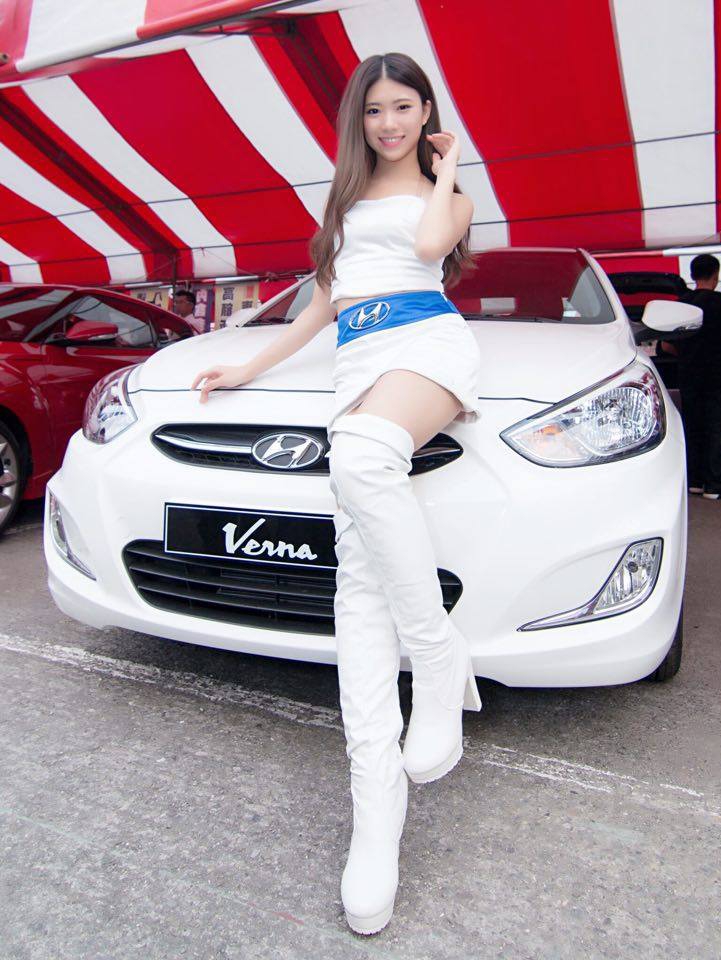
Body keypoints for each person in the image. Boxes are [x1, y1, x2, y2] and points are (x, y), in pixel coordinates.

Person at [191, 52, 481, 935]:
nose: (388, 123)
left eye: (403, 107)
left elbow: (427, 250)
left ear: (425, 111)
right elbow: (322, 306)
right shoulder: (346, 205)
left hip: (426, 344)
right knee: (356, 593)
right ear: (358, 120)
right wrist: (246, 367)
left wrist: (448, 164)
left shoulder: (450, 196)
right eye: (374, 110)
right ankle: (375, 822)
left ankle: (437, 658)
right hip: (356, 359)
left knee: (358, 457)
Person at [668, 254, 721, 499]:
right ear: (716, 274)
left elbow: (667, 345)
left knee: (693, 425)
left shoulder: (681, 304)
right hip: (719, 373)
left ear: (692, 275)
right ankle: (714, 484)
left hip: (689, 373)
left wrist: (688, 350)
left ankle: (695, 480)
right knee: (717, 427)